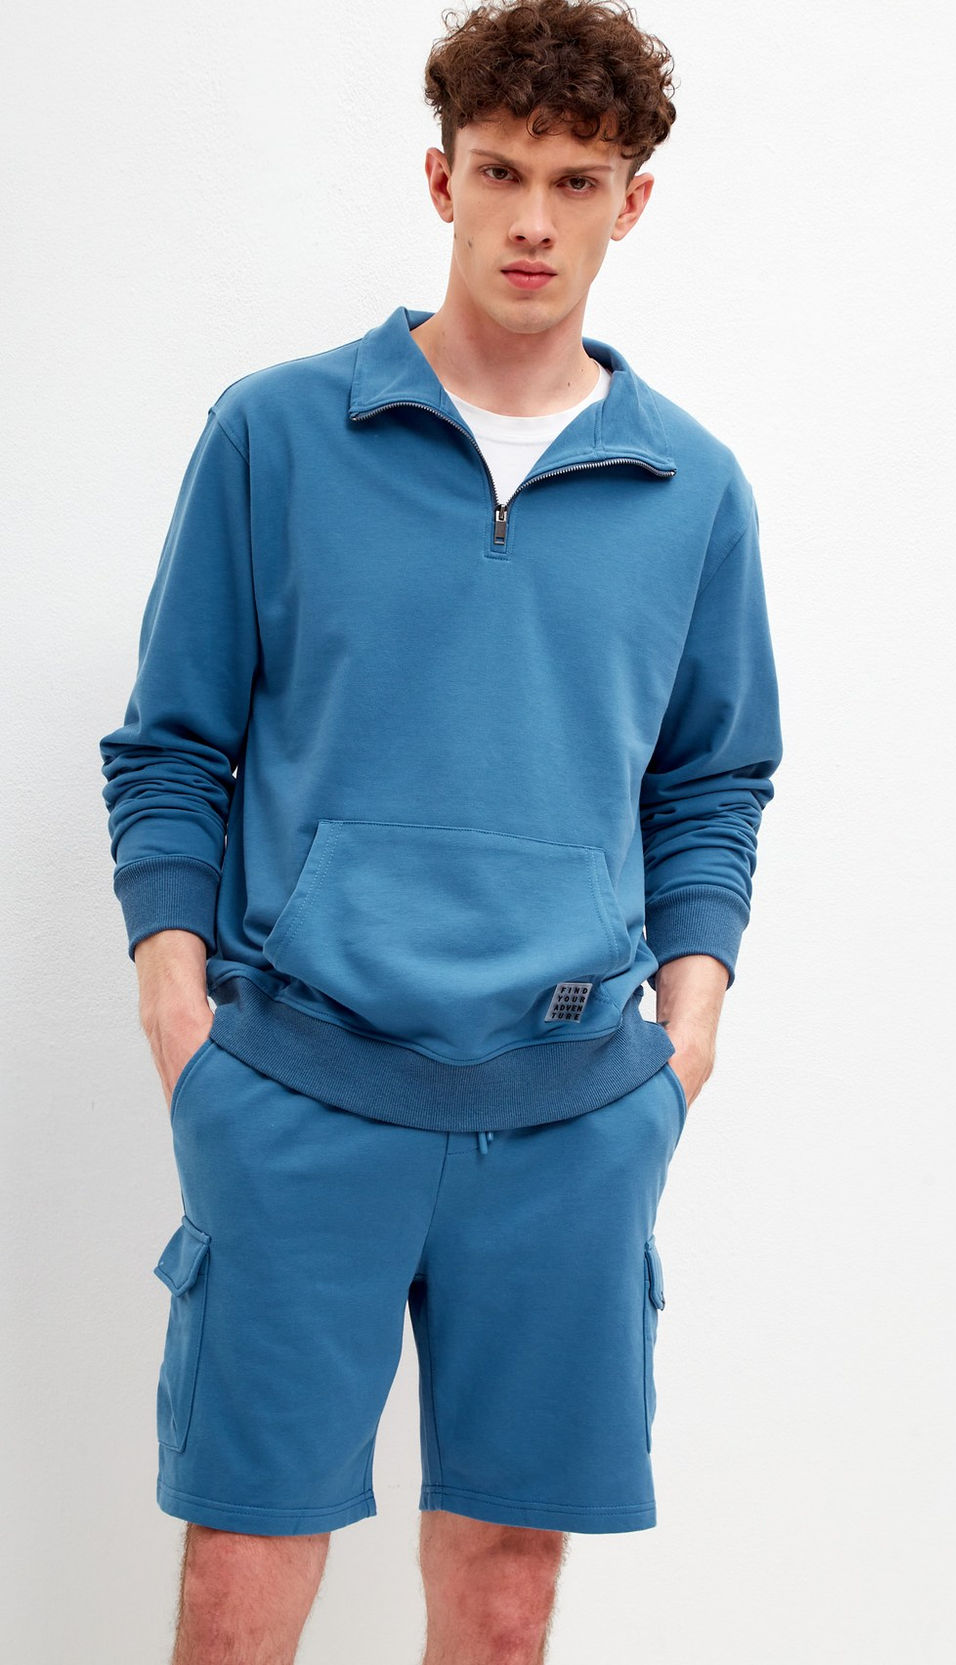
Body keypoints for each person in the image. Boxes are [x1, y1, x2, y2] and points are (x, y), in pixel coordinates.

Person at [98, 0, 784, 1658]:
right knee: (237, 1582)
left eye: (575, 180)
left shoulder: (692, 487)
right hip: (296, 1090)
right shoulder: (276, 433)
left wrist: (686, 1032)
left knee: (504, 1592)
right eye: (499, 172)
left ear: (632, 202)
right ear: (441, 180)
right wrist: (183, 1021)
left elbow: (710, 781)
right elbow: (173, 745)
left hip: (569, 1113)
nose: (533, 220)